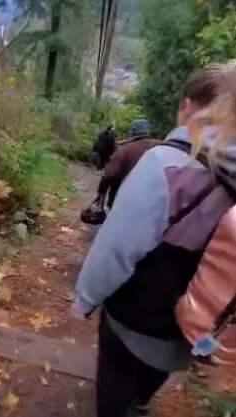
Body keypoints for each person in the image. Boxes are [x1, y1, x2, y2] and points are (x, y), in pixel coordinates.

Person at [71, 60, 236, 417]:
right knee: (158, 366)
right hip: (195, 320)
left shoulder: (163, 164)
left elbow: (116, 249)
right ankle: (142, 401)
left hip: (134, 314)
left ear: (187, 107)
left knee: (116, 371)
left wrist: (86, 297)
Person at [97, 119, 158, 209]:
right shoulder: (161, 146)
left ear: (132, 132)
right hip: (153, 201)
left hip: (124, 199)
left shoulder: (124, 151)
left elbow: (109, 175)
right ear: (148, 131)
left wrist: (101, 190)